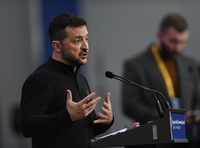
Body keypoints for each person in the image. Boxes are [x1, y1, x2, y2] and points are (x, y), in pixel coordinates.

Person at [20, 12, 114, 148]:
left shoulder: (81, 78)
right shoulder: (40, 79)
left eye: (86, 39)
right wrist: (67, 117)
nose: (86, 46)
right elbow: (27, 126)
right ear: (57, 46)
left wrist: (106, 121)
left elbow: (84, 131)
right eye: (77, 41)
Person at [121, 13, 200, 147]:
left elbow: (197, 100)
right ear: (160, 35)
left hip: (188, 139)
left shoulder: (191, 64)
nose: (178, 47)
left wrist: (195, 115)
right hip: (155, 139)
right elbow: (130, 104)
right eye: (173, 41)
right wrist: (167, 118)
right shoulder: (136, 65)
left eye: (182, 42)